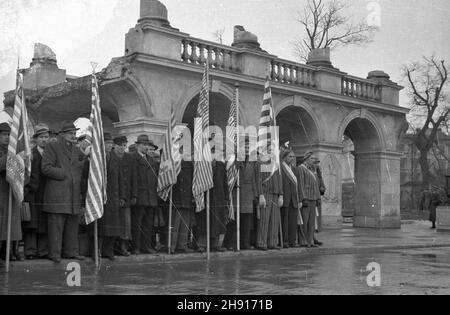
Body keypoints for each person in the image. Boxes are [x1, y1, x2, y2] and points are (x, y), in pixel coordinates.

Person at [41, 121, 87, 263]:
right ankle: (54, 254)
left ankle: (71, 252)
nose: (73, 136)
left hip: (73, 194)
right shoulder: (52, 146)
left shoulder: (76, 149)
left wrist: (88, 159)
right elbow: (46, 168)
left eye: (74, 133)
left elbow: (81, 167)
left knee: (72, 225)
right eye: (70, 133)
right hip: (57, 194)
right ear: (62, 135)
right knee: (56, 225)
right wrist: (66, 173)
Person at [224, 137, 262, 250]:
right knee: (235, 220)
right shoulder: (234, 160)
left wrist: (256, 194)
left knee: (247, 221)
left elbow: (255, 179)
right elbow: (230, 175)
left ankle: (245, 243)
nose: (246, 149)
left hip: (248, 193)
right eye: (244, 147)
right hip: (237, 192)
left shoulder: (252, 162)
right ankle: (231, 243)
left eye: (248, 147)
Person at [22, 124, 50, 260]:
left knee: (44, 222)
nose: (44, 140)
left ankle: (43, 250)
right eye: (42, 137)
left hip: (46, 193)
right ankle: (30, 250)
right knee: (32, 223)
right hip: (32, 193)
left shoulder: (51, 154)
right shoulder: (30, 154)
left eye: (46, 137)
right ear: (36, 139)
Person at [130, 135, 159, 255]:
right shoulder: (133, 158)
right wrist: (134, 195)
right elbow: (133, 179)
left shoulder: (151, 160)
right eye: (143, 145)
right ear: (138, 146)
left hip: (150, 196)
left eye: (147, 145)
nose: (146, 147)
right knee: (137, 224)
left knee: (148, 224)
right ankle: (136, 247)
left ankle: (146, 246)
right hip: (140, 196)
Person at [97, 133, 123, 260]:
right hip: (99, 196)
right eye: (107, 143)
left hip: (113, 196)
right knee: (99, 227)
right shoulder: (97, 157)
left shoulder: (115, 158)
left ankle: (109, 250)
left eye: (111, 143)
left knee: (112, 227)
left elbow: (120, 179)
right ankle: (96, 251)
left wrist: (121, 196)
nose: (109, 146)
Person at [0, 122, 23, 261]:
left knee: (12, 224)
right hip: (1, 193)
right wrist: (11, 157)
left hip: (11, 192)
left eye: (9, 135)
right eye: (4, 135)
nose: (7, 138)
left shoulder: (12, 151)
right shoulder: (9, 152)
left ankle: (9, 250)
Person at [113, 136, 136, 256]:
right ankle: (113, 246)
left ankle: (123, 246)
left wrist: (134, 194)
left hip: (126, 195)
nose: (122, 148)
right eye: (120, 145)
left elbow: (133, 177)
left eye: (124, 145)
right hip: (113, 194)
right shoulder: (111, 157)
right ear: (114, 145)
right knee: (113, 221)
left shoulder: (129, 158)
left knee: (125, 223)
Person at [257, 160, 283, 251]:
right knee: (264, 220)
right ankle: (262, 242)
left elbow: (279, 180)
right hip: (266, 193)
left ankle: (273, 242)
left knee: (274, 220)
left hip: (275, 194)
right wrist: (260, 194)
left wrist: (281, 194)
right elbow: (259, 180)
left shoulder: (276, 165)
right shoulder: (261, 163)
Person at [297, 151, 321, 248]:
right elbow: (301, 184)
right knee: (304, 221)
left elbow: (316, 185)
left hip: (313, 198)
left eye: (314, 159)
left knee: (312, 221)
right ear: (306, 159)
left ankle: (310, 241)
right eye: (311, 158)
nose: (313, 160)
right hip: (306, 198)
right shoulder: (301, 168)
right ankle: (303, 241)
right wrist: (303, 198)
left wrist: (318, 197)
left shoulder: (313, 170)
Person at [280, 149, 303, 248]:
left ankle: (292, 241)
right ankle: (284, 241)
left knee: (293, 221)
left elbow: (299, 185)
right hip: (285, 198)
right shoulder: (280, 168)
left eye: (293, 156)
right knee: (284, 222)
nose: (292, 158)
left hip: (294, 199)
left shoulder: (295, 169)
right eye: (290, 156)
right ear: (284, 157)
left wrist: (301, 199)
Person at [171, 159, 195, 254]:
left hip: (187, 197)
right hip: (176, 197)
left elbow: (193, 180)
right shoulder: (173, 160)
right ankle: (172, 245)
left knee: (185, 224)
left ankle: (182, 245)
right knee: (175, 224)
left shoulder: (189, 163)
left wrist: (193, 196)